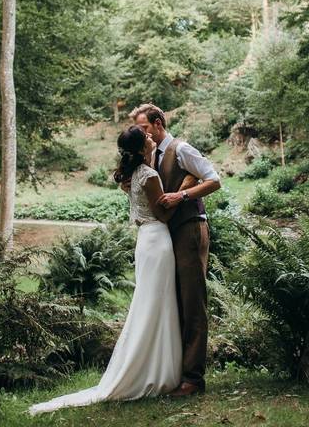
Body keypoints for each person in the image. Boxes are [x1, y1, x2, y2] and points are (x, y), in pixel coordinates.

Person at [28, 125, 182, 415]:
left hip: (145, 241)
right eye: (147, 138)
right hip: (158, 239)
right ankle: (156, 371)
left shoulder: (133, 175)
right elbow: (163, 212)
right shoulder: (148, 175)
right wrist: (182, 192)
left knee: (151, 303)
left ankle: (156, 366)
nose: (151, 138)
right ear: (140, 148)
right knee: (156, 304)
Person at [128, 103, 221, 397]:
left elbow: (214, 179)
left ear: (157, 124)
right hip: (167, 234)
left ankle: (193, 379)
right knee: (174, 302)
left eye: (144, 128)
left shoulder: (181, 149)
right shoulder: (150, 156)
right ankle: (175, 372)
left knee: (192, 302)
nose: (142, 134)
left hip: (190, 228)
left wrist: (181, 193)